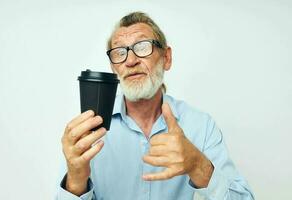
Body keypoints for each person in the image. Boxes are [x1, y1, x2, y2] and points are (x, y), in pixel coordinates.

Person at [56, 12, 254, 200]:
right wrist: (75, 179)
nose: (131, 61)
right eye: (119, 52)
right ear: (113, 67)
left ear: (166, 58)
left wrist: (198, 165)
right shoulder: (87, 132)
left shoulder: (201, 126)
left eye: (142, 47)